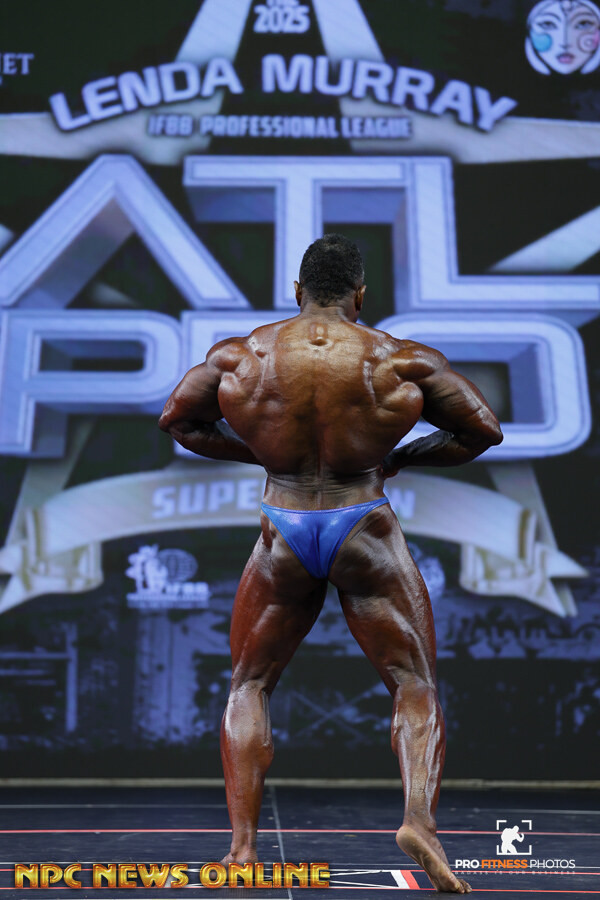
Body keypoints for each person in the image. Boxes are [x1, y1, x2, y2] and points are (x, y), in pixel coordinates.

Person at [159, 234, 503, 894]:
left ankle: (242, 850)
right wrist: (400, 459)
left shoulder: (243, 354)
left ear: (297, 291)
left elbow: (179, 420)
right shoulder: (400, 359)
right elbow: (481, 430)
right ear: (360, 296)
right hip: (362, 523)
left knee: (250, 685)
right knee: (413, 683)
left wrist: (264, 456)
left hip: (283, 528)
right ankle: (419, 823)